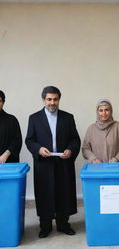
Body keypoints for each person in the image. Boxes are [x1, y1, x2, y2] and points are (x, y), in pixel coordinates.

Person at [25, 86, 81, 238]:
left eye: (55, 99)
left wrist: (70, 150)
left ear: (59, 100)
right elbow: (29, 140)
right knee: (44, 194)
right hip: (44, 163)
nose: (52, 102)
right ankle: (45, 226)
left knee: (64, 193)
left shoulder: (68, 117)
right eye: (49, 99)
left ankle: (63, 224)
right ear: (43, 100)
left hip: (63, 162)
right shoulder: (34, 118)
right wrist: (38, 149)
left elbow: (75, 139)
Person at [0, 90, 22, 163]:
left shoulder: (12, 120)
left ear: (3, 103)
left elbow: (17, 141)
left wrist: (6, 154)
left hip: (8, 162)